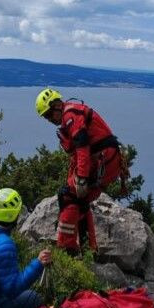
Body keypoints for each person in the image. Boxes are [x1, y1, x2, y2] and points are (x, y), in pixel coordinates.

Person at [35, 88, 127, 254]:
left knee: (69, 197)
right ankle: (88, 250)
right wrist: (73, 179)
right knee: (79, 200)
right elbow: (76, 156)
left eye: (49, 114)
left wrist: (82, 179)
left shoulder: (70, 116)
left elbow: (82, 148)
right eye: (46, 117)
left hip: (103, 161)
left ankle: (67, 249)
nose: (49, 120)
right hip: (105, 161)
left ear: (56, 105)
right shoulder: (70, 115)